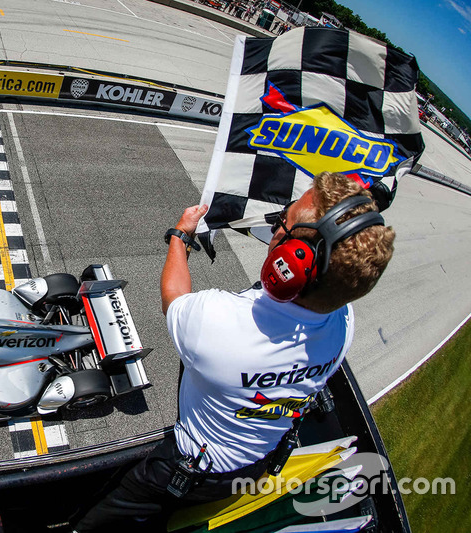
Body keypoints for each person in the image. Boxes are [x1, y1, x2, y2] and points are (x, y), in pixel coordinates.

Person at [73, 172, 396, 532]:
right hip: (255, 466)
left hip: (185, 468)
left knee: (90, 523)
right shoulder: (343, 324)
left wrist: (180, 236)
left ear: (290, 264)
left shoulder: (219, 323)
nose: (275, 226)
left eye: (283, 221)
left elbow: (173, 298)